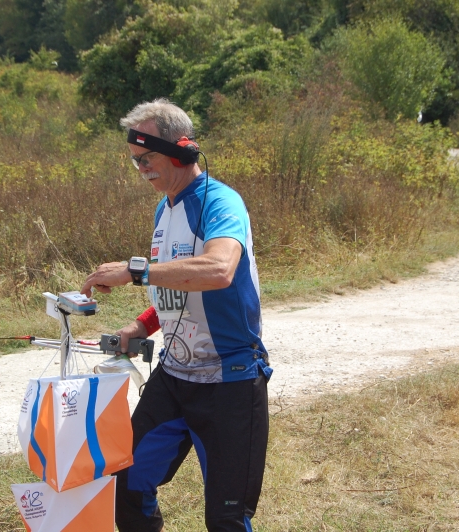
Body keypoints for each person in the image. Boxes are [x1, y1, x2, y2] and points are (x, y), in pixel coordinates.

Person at [80, 98, 271, 532]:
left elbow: (218, 270)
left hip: (230, 381)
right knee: (123, 485)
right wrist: (142, 324)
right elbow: (178, 284)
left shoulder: (221, 202)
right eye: (135, 161)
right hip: (175, 377)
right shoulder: (164, 209)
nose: (142, 169)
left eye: (147, 157)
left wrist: (135, 271)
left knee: (226, 518)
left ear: (182, 150)